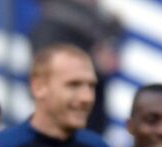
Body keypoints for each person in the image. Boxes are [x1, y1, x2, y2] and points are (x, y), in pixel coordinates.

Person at [27, 0, 122, 136]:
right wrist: (95, 63)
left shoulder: (98, 24)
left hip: (89, 129)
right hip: (61, 131)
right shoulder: (52, 26)